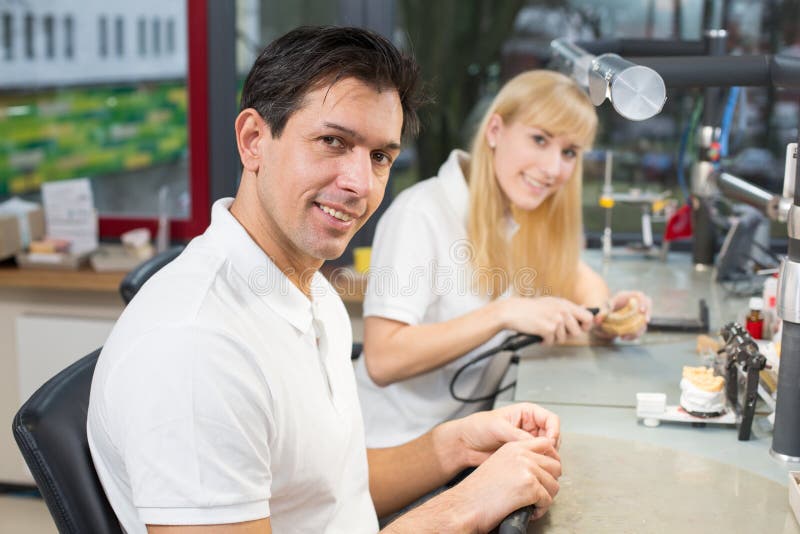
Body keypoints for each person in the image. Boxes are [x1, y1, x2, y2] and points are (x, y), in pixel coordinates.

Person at [87, 26, 564, 533]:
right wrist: (464, 506)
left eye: (380, 156)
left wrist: (458, 444)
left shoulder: (310, 290)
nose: (360, 184)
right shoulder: (195, 347)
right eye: (333, 142)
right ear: (253, 141)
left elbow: (328, 493)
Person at [355, 70, 653, 448]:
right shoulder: (421, 212)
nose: (552, 169)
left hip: (462, 439)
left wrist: (608, 316)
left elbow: (583, 283)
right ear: (495, 131)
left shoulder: (518, 212)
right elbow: (382, 360)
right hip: (386, 447)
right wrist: (502, 314)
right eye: (539, 139)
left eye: (569, 152)